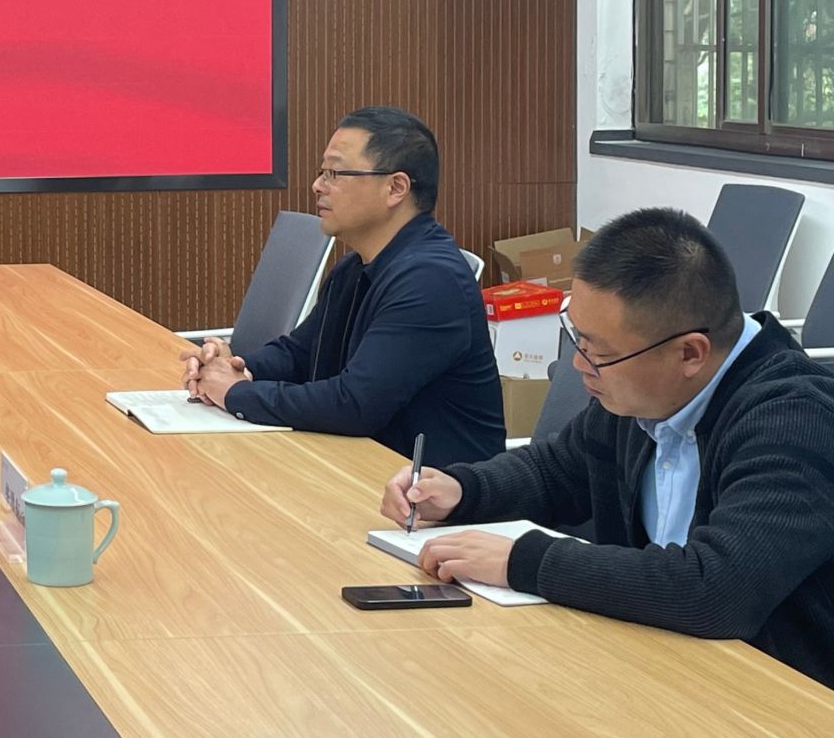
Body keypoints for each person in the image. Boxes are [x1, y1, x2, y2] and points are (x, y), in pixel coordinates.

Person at [379, 207, 834, 688]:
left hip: (778, 694)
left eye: (600, 352)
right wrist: (463, 491)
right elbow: (559, 470)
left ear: (690, 353)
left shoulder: (795, 420)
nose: (579, 363)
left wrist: (524, 562)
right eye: (577, 336)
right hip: (661, 665)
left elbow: (717, 589)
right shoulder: (649, 393)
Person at [183, 106, 505, 465]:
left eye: (334, 173)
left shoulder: (431, 281)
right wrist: (234, 366)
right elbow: (299, 354)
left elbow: (355, 404)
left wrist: (236, 394)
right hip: (357, 465)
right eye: (322, 173)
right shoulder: (355, 267)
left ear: (395, 188)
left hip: (425, 488)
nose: (318, 186)